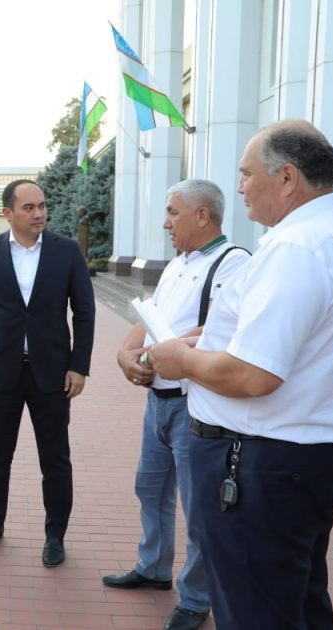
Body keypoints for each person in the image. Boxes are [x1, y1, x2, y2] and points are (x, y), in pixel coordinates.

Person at [149, 120, 333, 629]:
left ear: (287, 178)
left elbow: (253, 375)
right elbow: (295, 338)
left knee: (255, 611)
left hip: (263, 465)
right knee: (297, 601)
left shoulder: (296, 247)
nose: (239, 187)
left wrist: (180, 361)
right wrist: (204, 342)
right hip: (306, 458)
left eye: (246, 173)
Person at [103, 179, 249, 630]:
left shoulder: (233, 263)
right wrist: (126, 354)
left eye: (173, 213)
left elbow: (221, 330)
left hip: (196, 407)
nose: (165, 223)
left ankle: (196, 598)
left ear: (203, 216)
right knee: (150, 489)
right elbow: (149, 315)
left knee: (200, 509)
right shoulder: (176, 265)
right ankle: (153, 567)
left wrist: (160, 354)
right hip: (159, 402)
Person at [0, 179, 95, 567]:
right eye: (29, 208)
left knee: (55, 459)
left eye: (42, 206)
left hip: (52, 374)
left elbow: (84, 313)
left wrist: (79, 366)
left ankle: (55, 536)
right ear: (8, 213)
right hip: (0, 372)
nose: (39, 214)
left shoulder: (66, 252)